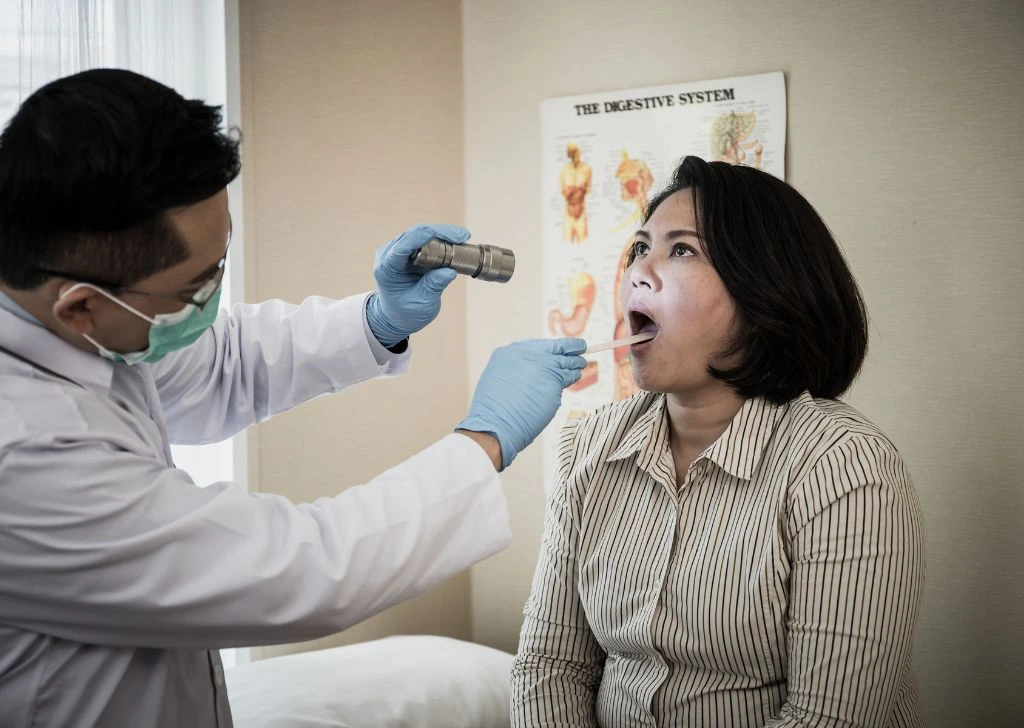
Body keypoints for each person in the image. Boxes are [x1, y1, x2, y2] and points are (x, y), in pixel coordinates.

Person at [0, 69, 586, 728]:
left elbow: (224, 362)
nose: (216, 293)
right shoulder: (23, 454)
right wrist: (484, 440)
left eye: (222, 261)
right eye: (198, 283)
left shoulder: (78, 329)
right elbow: (301, 569)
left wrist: (376, 321)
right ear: (80, 305)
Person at [510, 156, 925, 727]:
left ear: (763, 291)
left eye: (682, 250)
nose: (638, 272)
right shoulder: (587, 447)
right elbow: (549, 666)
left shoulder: (843, 466)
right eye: (640, 248)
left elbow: (829, 720)